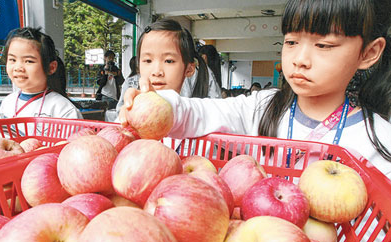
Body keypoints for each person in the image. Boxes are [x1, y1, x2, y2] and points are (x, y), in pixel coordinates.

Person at [121, 0, 391, 176]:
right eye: (292, 42)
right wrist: (159, 104)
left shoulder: (380, 139)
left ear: (369, 52)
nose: (300, 60)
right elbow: (200, 112)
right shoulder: (263, 107)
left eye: (323, 45)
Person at [0, 27, 83, 124]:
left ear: (51, 67)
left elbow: (76, 139)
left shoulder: (64, 110)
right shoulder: (7, 103)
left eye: (28, 61)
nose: (18, 68)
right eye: (12, 60)